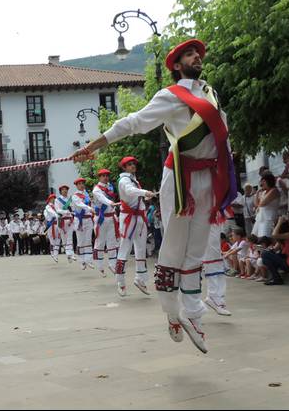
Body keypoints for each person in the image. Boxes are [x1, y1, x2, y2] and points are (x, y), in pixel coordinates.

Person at [74, 39, 237, 353]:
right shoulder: (171, 96)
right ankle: (171, 312)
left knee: (198, 247)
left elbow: (222, 132)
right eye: (189, 55)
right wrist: (93, 146)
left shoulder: (209, 94)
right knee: (175, 246)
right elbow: (134, 122)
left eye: (198, 54)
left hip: (209, 176)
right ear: (177, 65)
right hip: (180, 178)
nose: (196, 57)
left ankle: (193, 313)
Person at [115, 157, 152, 297]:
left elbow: (135, 196)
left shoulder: (133, 179)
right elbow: (130, 192)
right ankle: (121, 282)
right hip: (128, 218)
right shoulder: (124, 180)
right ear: (124, 167)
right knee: (125, 247)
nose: (132, 166)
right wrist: (144, 192)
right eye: (129, 164)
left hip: (140, 216)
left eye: (133, 164)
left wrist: (145, 196)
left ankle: (140, 279)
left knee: (141, 248)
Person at [92, 168, 119, 277]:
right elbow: (102, 198)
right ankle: (100, 265)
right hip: (101, 218)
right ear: (99, 177)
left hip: (111, 217)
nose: (106, 177)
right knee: (100, 241)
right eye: (103, 175)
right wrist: (110, 202)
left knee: (112, 241)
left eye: (107, 175)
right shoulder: (96, 189)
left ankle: (112, 264)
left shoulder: (111, 187)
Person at [261, 215, 289, 285]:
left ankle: (276, 278)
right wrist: (268, 249)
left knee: (264, 254)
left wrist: (279, 222)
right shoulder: (282, 240)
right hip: (287, 263)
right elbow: (273, 250)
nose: (274, 228)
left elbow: (274, 235)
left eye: (275, 226)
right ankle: (275, 278)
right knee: (265, 257)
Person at [71, 178, 94, 270]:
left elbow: (91, 204)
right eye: (79, 184)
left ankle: (89, 260)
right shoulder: (74, 196)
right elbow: (80, 204)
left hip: (88, 219)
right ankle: (82, 261)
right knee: (80, 241)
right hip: (79, 220)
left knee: (88, 240)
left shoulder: (87, 194)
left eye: (82, 183)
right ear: (76, 185)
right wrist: (89, 208)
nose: (81, 185)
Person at [252, 173, 281, 238]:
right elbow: (256, 204)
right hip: (261, 217)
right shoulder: (264, 192)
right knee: (255, 238)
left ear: (269, 181)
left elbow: (262, 204)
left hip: (269, 217)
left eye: (264, 181)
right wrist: (257, 193)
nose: (262, 183)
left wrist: (259, 202)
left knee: (265, 237)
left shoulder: (274, 190)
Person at [56, 185, 76, 263]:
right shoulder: (57, 200)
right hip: (62, 220)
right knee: (64, 239)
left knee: (70, 238)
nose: (65, 191)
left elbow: (73, 208)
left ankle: (72, 253)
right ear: (60, 191)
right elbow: (57, 210)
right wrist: (65, 211)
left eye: (66, 189)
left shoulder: (70, 199)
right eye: (63, 189)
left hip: (69, 220)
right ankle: (68, 254)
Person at [43, 194, 61, 263]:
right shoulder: (48, 206)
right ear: (50, 199)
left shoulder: (57, 206)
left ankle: (56, 254)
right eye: (52, 198)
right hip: (51, 225)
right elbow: (49, 214)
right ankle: (52, 252)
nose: (54, 199)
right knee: (52, 240)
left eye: (54, 198)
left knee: (58, 239)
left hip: (57, 224)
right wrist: (56, 215)